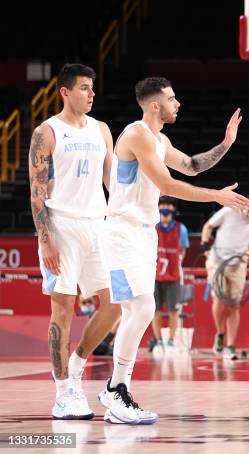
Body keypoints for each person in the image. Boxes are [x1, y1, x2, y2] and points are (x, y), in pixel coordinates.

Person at [98, 76, 249, 425]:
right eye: (171, 98)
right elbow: (166, 184)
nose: (177, 103)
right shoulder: (136, 134)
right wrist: (216, 195)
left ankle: (116, 389)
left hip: (143, 235)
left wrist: (226, 143)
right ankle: (116, 388)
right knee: (141, 308)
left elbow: (193, 166)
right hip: (121, 231)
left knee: (140, 310)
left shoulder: (160, 140)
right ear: (155, 105)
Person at [28, 63, 121, 420]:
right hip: (61, 226)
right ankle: (63, 391)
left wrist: (127, 214)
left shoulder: (101, 129)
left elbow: (112, 180)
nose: (91, 93)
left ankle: (78, 364)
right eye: (84, 88)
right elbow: (36, 190)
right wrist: (45, 239)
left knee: (114, 304)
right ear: (64, 92)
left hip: (97, 225)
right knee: (62, 309)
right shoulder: (47, 132)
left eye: (92, 88)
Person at [201, 191, 249, 360]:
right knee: (219, 300)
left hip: (238, 264)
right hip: (217, 261)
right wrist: (205, 247)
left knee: (234, 305)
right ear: (248, 204)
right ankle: (220, 333)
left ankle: (230, 345)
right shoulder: (230, 211)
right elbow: (208, 226)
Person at [151, 196, 190, 355]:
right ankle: (159, 341)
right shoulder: (153, 227)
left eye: (169, 205)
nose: (166, 208)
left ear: (173, 209)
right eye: (163, 204)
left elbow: (183, 250)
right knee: (156, 310)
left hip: (173, 276)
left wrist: (176, 262)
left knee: (174, 311)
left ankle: (172, 341)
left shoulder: (181, 229)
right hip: (154, 276)